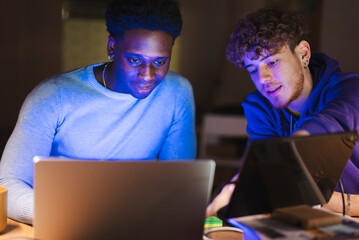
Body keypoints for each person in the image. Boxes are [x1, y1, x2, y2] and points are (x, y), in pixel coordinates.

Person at [0, 0, 196, 225]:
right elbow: (8, 184)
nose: (148, 75)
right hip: (62, 223)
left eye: (160, 62)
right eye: (134, 60)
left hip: (136, 225)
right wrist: (68, 215)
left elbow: (180, 186)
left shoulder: (177, 93)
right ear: (112, 48)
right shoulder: (53, 96)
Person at [206, 8, 359, 218]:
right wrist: (234, 188)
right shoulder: (260, 108)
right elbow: (262, 170)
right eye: (253, 69)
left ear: (303, 54)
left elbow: (330, 122)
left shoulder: (350, 89)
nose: (263, 78)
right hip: (306, 220)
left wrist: (286, 157)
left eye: (272, 62)